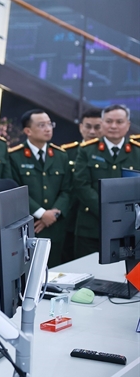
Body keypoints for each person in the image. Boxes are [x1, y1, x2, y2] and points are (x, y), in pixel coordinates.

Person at [73, 104, 140, 258]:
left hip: (128, 227)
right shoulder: (87, 150)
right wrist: (106, 211)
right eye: (109, 121)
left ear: (128, 125)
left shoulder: (137, 151)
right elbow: (81, 184)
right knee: (87, 269)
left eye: (119, 122)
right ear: (102, 123)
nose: (113, 126)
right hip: (91, 225)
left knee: (124, 270)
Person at [8, 109, 71, 267]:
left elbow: (67, 189)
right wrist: (42, 214)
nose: (48, 129)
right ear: (28, 131)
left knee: (56, 271)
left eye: (50, 124)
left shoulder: (61, 155)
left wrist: (53, 214)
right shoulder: (14, 156)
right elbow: (15, 191)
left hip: (55, 225)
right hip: (29, 225)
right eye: (42, 125)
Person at [60, 108, 102, 263]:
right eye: (88, 126)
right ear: (80, 127)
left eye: (97, 127)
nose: (92, 131)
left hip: (93, 218)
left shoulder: (106, 154)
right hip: (69, 217)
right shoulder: (66, 153)